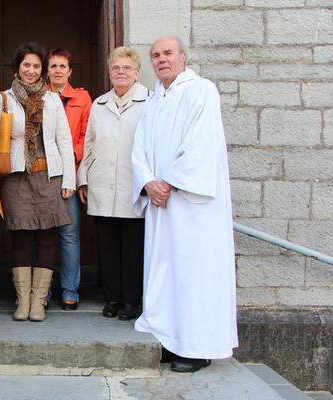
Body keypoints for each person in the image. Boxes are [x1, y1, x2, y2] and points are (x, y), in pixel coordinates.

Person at [131, 36, 237, 373]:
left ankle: (196, 347)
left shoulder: (201, 90)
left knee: (193, 272)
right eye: (155, 55)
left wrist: (170, 182)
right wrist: (148, 182)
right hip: (162, 204)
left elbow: (201, 144)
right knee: (165, 271)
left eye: (168, 53)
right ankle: (167, 338)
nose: (161, 59)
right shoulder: (155, 99)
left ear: (183, 57)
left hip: (191, 205)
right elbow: (140, 147)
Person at [0, 42, 75, 322]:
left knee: (47, 237)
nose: (31, 70)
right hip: (16, 177)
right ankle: (22, 300)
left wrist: (69, 180)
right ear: (17, 68)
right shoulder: (2, 98)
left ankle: (38, 301)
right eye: (26, 65)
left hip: (49, 175)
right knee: (21, 238)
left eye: (36, 66)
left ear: (43, 70)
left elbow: (63, 139)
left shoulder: (52, 99)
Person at [77, 46, 149, 321]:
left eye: (126, 68)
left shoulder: (149, 102)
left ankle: (131, 301)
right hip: (102, 184)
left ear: (137, 73)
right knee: (107, 248)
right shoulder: (100, 103)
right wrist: (84, 178)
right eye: (116, 68)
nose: (121, 72)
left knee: (132, 248)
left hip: (134, 186)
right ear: (109, 72)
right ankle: (112, 298)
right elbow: (90, 144)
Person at [46, 48, 91, 311]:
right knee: (43, 235)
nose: (58, 70)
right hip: (44, 174)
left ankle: (69, 290)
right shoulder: (39, 96)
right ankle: (42, 290)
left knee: (69, 234)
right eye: (53, 66)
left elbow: (87, 135)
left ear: (70, 70)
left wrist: (67, 156)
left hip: (70, 172)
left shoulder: (83, 98)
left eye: (63, 66)